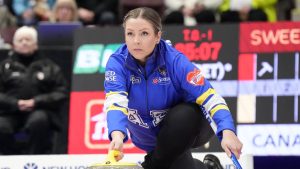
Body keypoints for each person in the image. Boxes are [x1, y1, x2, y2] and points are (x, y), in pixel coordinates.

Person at [104, 7, 243, 169]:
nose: (136, 41)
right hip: (151, 139)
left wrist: (227, 131)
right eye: (130, 33)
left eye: (144, 33)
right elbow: (115, 101)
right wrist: (117, 135)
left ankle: (149, 166)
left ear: (158, 36)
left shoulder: (175, 61)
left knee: (183, 114)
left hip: (188, 128)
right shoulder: (117, 63)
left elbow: (211, 98)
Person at [0, 26, 68, 154]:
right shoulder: (4, 67)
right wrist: (15, 103)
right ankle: (10, 160)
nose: (24, 42)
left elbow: (61, 92)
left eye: (28, 39)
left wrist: (36, 101)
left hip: (39, 110)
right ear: (14, 45)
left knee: (39, 121)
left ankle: (33, 160)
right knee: (1, 125)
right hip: (10, 112)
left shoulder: (49, 66)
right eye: (20, 40)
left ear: (35, 44)